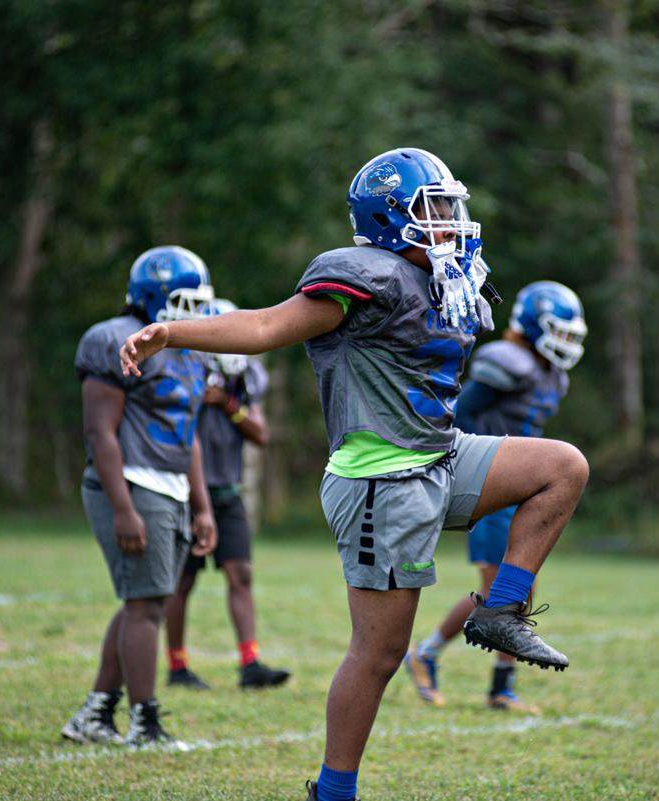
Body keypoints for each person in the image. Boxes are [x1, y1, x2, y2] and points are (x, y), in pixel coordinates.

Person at [119, 148, 589, 801]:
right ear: (393, 217)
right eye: (436, 209)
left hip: (439, 453)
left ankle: (501, 609)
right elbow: (263, 326)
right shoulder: (364, 275)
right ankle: (334, 791)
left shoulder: (446, 278)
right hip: (381, 478)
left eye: (452, 208)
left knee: (561, 465)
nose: (451, 222)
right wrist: (172, 332)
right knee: (378, 654)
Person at [404, 280, 586, 714]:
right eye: (556, 330)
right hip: (490, 480)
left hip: (527, 489)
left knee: (518, 587)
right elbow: (459, 413)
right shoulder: (507, 362)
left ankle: (501, 688)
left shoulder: (550, 373)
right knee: (495, 592)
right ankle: (427, 654)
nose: (564, 342)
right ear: (530, 326)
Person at [60, 246, 216, 747]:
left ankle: (95, 713)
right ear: (156, 298)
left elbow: (186, 432)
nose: (198, 312)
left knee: (144, 602)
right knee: (147, 605)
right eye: (187, 301)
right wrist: (123, 507)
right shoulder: (113, 339)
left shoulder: (188, 350)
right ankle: (145, 723)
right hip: (132, 484)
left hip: (169, 487)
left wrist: (202, 504)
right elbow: (100, 433)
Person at [164, 299, 290, 690]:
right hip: (184, 492)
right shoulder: (185, 372)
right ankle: (177, 666)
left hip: (226, 489)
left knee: (241, 573)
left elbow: (260, 434)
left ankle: (250, 663)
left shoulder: (241, 382)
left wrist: (228, 403)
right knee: (182, 581)